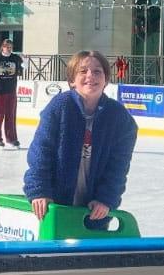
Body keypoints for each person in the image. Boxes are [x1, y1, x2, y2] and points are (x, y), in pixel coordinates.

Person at [23, 50, 137, 228]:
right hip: (53, 206)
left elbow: (118, 167)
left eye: (97, 71)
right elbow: (41, 152)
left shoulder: (120, 119)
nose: (90, 76)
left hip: (93, 212)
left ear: (106, 79)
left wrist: (105, 199)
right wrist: (39, 190)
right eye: (83, 71)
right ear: (72, 80)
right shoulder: (59, 107)